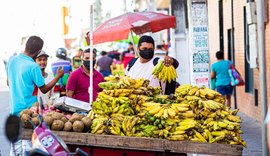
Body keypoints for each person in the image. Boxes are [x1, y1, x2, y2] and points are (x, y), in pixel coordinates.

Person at [6, 36, 64, 155]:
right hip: (29, 115)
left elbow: (8, 82)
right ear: (38, 52)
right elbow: (44, 89)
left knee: (15, 150)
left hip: (13, 113)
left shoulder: (12, 60)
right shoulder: (33, 67)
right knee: (27, 148)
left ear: (26, 46)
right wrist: (58, 76)